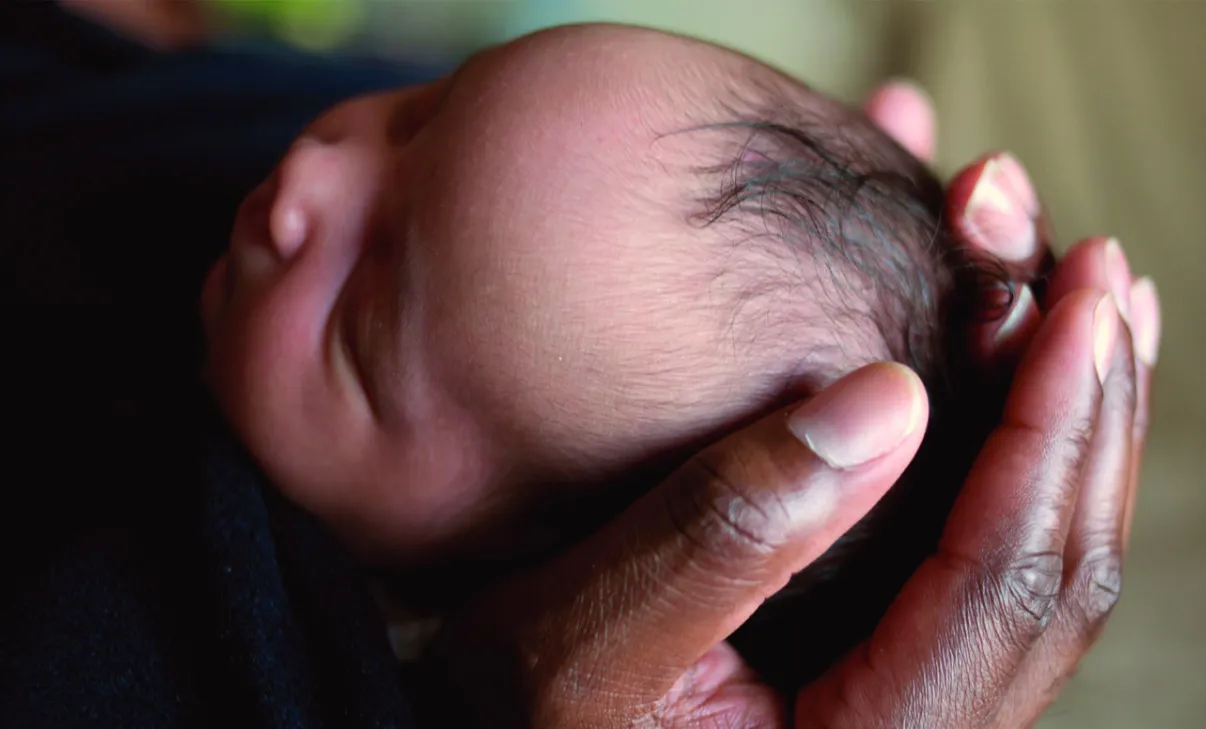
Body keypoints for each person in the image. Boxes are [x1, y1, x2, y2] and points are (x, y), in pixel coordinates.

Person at [0, 4, 1158, 729]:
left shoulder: (189, 632)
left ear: (463, 591)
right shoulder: (463, 230)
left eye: (360, 319)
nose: (307, 176)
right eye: (421, 112)